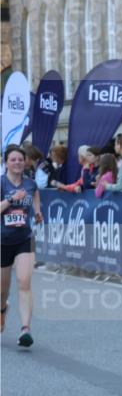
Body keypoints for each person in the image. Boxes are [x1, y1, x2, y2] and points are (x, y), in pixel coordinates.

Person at [1, 146, 43, 346]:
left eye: (20, 159)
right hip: (2, 241)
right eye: (13, 160)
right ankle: (2, 309)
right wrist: (10, 200)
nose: (17, 163)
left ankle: (25, 329)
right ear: (6, 162)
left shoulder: (30, 183)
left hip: (24, 238)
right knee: (3, 289)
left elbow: (35, 194)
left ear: (25, 162)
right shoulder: (1, 183)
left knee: (24, 282)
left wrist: (37, 211)